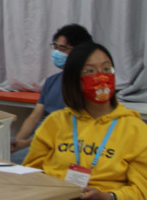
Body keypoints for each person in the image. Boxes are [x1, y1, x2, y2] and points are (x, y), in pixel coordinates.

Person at [2, 42, 147, 200]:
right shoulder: (55, 123)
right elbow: (32, 173)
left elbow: (144, 190)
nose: (101, 76)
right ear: (74, 79)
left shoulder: (135, 129)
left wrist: (109, 197)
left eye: (106, 69)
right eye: (90, 71)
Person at [11, 24, 94, 164]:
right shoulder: (51, 81)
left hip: (58, 143)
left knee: (12, 159)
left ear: (79, 52)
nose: (57, 53)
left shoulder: (86, 85)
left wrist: (27, 143)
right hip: (36, 137)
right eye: (55, 47)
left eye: (62, 49)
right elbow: (35, 117)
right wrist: (19, 141)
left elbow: (70, 129)